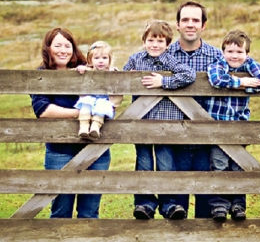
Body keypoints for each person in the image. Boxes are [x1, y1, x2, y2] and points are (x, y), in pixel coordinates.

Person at [29, 27, 111, 218]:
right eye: (58, 45)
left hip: (95, 149)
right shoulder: (41, 74)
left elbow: (111, 81)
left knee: (90, 213)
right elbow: (43, 110)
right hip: (60, 150)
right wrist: (81, 112)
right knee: (60, 212)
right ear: (48, 48)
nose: (63, 50)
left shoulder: (87, 68)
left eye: (68, 46)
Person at [123, 20, 196, 220]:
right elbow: (120, 77)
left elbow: (189, 75)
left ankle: (169, 204)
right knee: (144, 163)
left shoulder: (170, 59)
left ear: (167, 43)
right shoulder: (136, 59)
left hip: (167, 124)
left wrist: (163, 81)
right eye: (151, 40)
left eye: (160, 41)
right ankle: (144, 203)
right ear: (144, 40)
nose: (155, 45)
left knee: (166, 164)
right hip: (142, 122)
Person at [206, 29, 260, 221]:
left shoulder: (250, 64)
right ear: (223, 52)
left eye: (239, 52)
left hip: (240, 129)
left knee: (238, 166)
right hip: (218, 128)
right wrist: (241, 82)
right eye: (230, 51)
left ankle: (238, 205)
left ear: (247, 54)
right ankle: (219, 204)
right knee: (219, 166)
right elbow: (217, 80)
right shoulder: (217, 64)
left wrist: (247, 86)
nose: (234, 56)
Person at [167, 0, 225, 218]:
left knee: (207, 206)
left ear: (204, 26)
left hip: (207, 139)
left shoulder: (217, 56)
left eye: (195, 20)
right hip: (173, 138)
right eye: (185, 20)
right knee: (176, 205)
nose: (190, 24)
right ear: (177, 25)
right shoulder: (165, 55)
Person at [74, 41, 123, 140]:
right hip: (90, 99)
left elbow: (118, 87)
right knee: (85, 105)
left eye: (104, 58)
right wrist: (80, 69)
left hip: (104, 101)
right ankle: (84, 127)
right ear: (90, 60)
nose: (101, 61)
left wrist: (114, 73)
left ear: (109, 60)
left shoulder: (112, 72)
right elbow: (78, 77)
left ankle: (95, 127)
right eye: (96, 58)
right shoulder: (88, 71)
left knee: (101, 107)